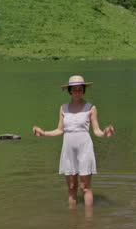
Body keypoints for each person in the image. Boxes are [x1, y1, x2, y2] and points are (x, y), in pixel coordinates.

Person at [33, 75, 114, 207]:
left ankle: (88, 222)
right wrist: (44, 133)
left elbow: (97, 131)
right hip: (68, 148)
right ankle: (72, 223)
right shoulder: (63, 108)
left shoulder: (90, 107)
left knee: (85, 186)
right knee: (71, 187)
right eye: (74, 89)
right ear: (70, 91)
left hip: (85, 147)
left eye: (80, 89)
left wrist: (105, 133)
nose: (77, 92)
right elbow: (60, 130)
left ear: (83, 90)